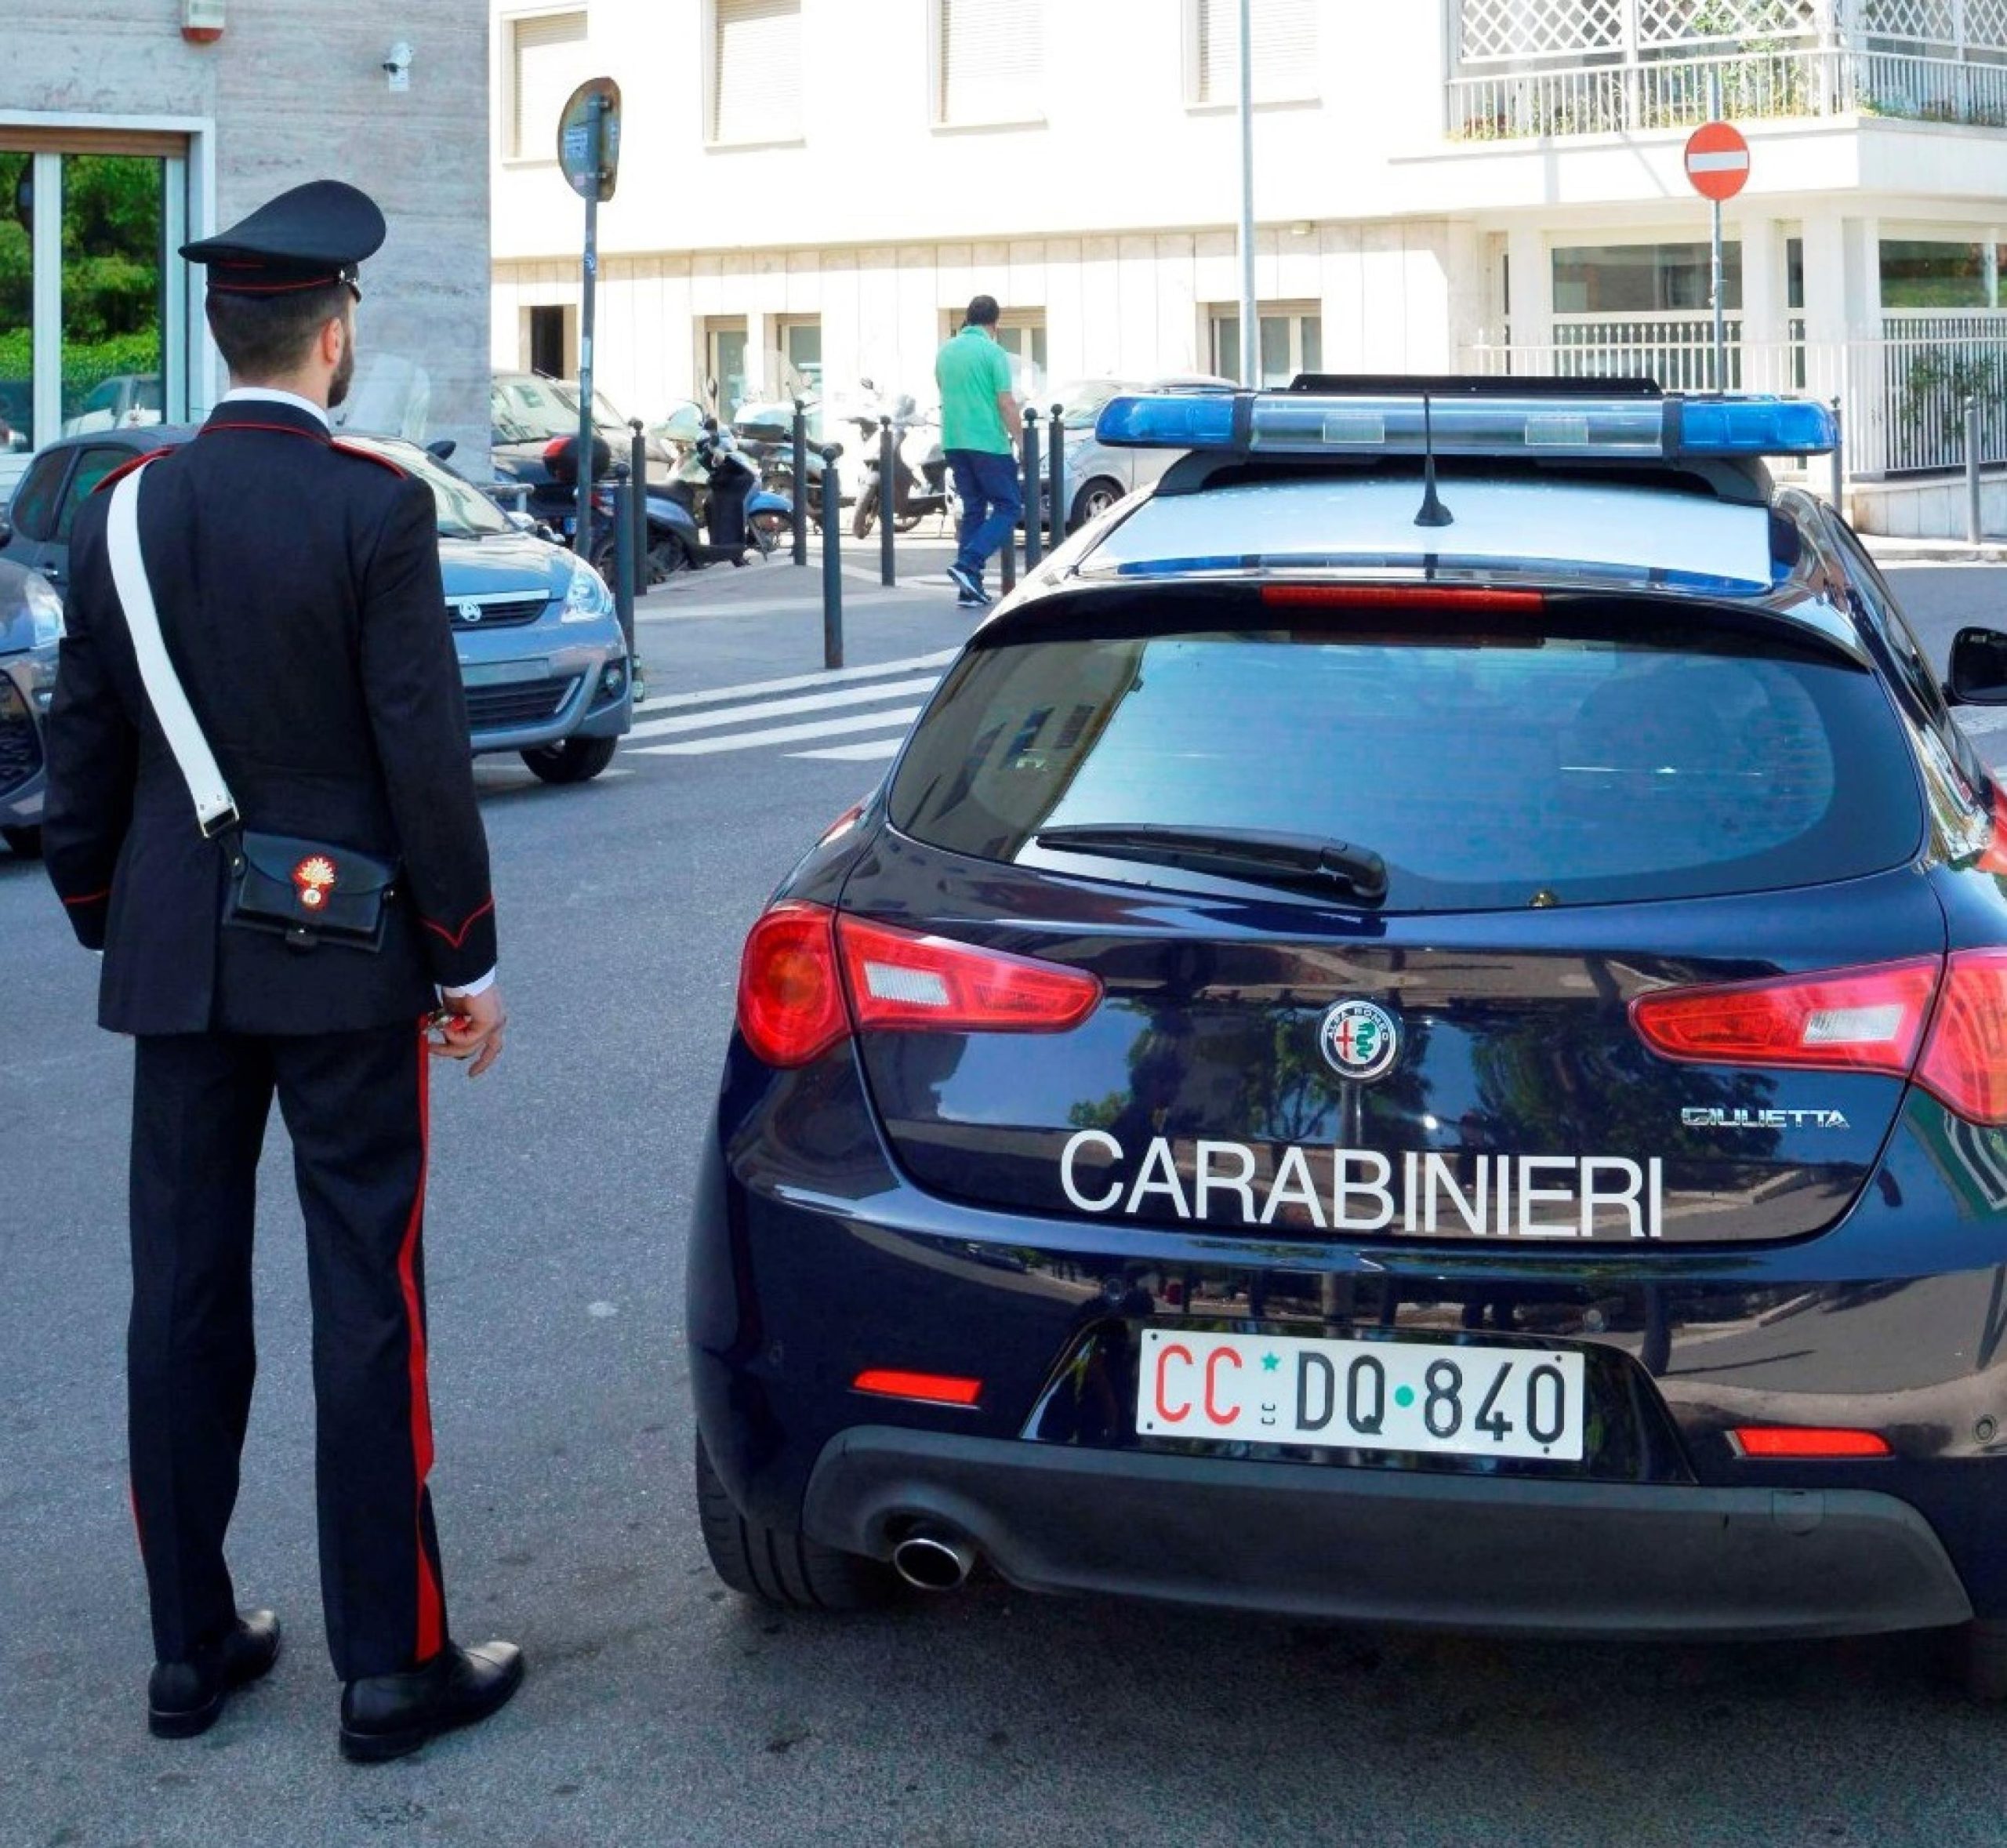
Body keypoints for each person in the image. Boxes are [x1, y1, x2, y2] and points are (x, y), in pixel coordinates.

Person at [41, 179, 523, 1763]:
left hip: (179, 959)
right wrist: (465, 956)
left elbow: (80, 757)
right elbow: (423, 761)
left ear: (220, 332)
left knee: (178, 1296)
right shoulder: (375, 508)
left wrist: (122, 911)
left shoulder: (121, 506)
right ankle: (389, 1663)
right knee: (363, 1293)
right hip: (342, 956)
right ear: (330, 336)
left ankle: (191, 1649)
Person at [934, 294, 1023, 608]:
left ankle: (969, 589)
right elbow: (1006, 403)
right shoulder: (994, 353)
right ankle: (968, 564)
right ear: (995, 323)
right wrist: (1022, 442)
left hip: (954, 441)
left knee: (973, 509)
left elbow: (945, 390)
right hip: (987, 441)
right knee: (1009, 506)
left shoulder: (945, 352)